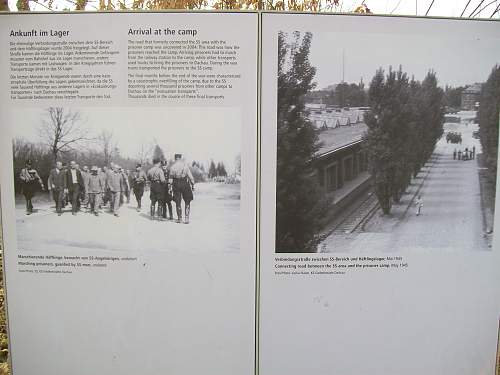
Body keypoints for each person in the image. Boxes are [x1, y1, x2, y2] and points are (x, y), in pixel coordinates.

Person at [170, 153, 195, 224]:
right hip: (184, 183)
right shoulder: (185, 166)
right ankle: (186, 218)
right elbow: (190, 176)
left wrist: (170, 188)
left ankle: (179, 218)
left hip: (176, 183)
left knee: (178, 201)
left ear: (175, 158)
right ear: (180, 158)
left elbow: (170, 179)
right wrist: (193, 185)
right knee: (187, 200)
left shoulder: (172, 167)